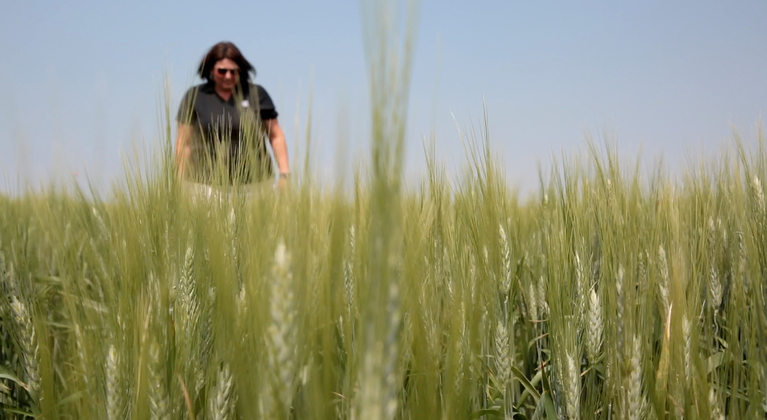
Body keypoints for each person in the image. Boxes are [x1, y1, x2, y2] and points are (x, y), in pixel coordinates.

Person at [175, 42, 289, 193]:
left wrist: (284, 174)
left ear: (240, 71)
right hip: (204, 186)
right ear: (211, 70)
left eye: (233, 71)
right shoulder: (195, 96)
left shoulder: (256, 94)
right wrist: (178, 181)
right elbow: (184, 143)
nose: (228, 76)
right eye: (222, 71)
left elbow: (275, 135)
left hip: (255, 185)